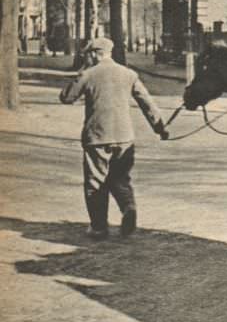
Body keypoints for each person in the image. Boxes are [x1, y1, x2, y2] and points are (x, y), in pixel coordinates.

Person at [60, 37, 169, 239]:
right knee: (120, 179)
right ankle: (129, 207)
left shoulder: (88, 74)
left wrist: (81, 72)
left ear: (94, 54)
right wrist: (160, 128)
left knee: (95, 182)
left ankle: (99, 228)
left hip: (97, 137)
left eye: (89, 54)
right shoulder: (129, 74)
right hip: (124, 136)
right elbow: (147, 102)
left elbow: (66, 97)